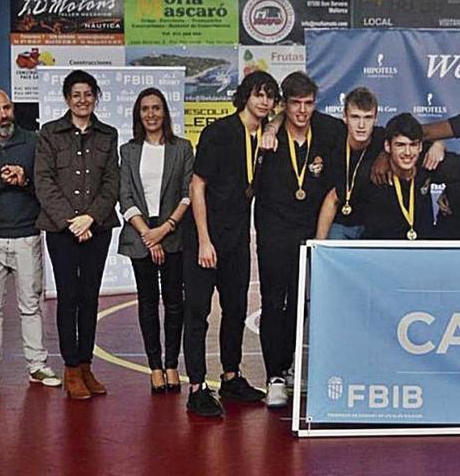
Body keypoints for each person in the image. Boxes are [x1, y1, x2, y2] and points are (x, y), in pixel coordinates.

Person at [182, 71, 279, 417]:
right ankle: (196, 386)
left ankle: (231, 375)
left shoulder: (267, 136)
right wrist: (204, 241)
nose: (264, 101)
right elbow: (197, 186)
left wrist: (271, 127)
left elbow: (281, 118)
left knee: (235, 308)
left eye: (270, 96)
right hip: (204, 237)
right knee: (198, 312)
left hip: (238, 238)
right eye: (258, 94)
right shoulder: (219, 132)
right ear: (245, 96)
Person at [0, 88, 60, 388]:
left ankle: (37, 365)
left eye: (7, 107)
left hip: (28, 235)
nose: (3, 114)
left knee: (31, 305)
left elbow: (46, 190)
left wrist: (24, 180)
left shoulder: (34, 142)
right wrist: (1, 182)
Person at [255, 72, 338, 408]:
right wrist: (272, 126)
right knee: (275, 302)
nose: (302, 111)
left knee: (302, 303)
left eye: (308, 104)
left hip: (309, 229)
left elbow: (371, 137)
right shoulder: (266, 136)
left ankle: (288, 365)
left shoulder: (329, 132)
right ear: (283, 105)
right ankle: (274, 375)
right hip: (274, 230)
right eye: (295, 104)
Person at [35, 70, 119, 400]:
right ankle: (70, 368)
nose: (82, 100)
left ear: (95, 97)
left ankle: (86, 365)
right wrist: (72, 221)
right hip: (61, 230)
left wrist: (90, 218)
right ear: (67, 99)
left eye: (88, 94)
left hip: (97, 229)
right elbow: (43, 181)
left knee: (90, 297)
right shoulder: (50, 133)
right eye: (76, 95)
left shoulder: (108, 134)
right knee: (68, 297)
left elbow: (112, 182)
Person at [118, 88, 193, 394]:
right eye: (145, 108)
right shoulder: (128, 150)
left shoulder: (183, 148)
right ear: (139, 114)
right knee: (148, 304)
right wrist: (149, 235)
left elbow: (189, 194)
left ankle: (172, 364)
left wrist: (165, 229)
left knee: (175, 303)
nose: (151, 114)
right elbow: (125, 196)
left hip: (173, 235)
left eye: (157, 108)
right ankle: (155, 367)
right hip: (140, 236)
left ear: (165, 113)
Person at [315, 87, 385, 240]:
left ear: (376, 118)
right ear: (345, 117)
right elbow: (289, 112)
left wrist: (439, 145)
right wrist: (318, 246)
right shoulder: (333, 137)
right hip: (339, 223)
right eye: (355, 117)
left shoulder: (383, 139)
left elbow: (416, 136)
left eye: (367, 118)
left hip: (373, 226)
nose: (361, 125)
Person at [358, 113, 435, 240]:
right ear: (387, 146)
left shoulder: (428, 164)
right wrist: (318, 246)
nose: (407, 152)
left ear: (421, 146)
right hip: (379, 255)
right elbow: (334, 198)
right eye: (400, 145)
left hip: (423, 254)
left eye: (413, 145)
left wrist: (439, 145)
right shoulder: (371, 174)